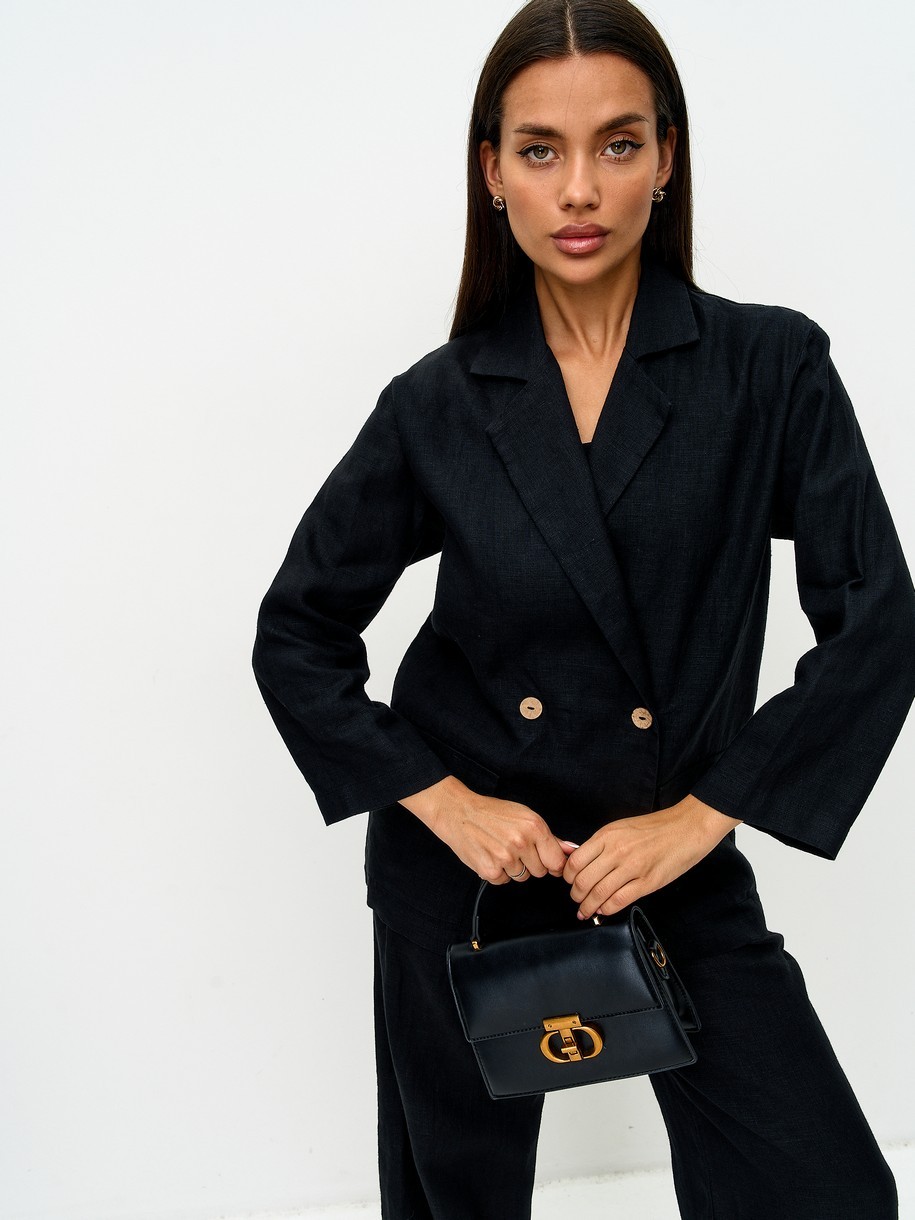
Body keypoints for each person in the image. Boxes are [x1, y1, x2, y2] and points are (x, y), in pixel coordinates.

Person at [252, 1, 915, 1215]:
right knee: (455, 1199)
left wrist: (702, 816)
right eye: (539, 149)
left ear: (666, 158)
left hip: (666, 850)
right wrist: (447, 803)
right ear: (491, 171)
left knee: (819, 1186)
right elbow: (297, 630)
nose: (578, 189)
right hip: (465, 869)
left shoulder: (769, 369)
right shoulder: (439, 402)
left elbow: (879, 619)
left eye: (616, 144)